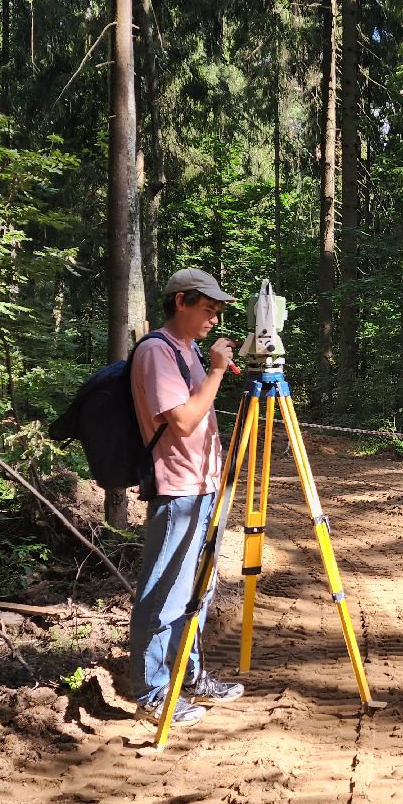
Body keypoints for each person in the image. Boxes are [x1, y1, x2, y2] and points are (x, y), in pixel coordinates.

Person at [128, 268, 246, 726]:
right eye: (208, 308)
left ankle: (189, 676)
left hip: (203, 485)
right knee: (166, 592)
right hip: (178, 488)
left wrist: (212, 366)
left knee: (198, 589)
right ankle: (154, 693)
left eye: (217, 310)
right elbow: (182, 420)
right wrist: (217, 371)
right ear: (180, 302)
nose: (214, 318)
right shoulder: (158, 352)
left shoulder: (188, 349)